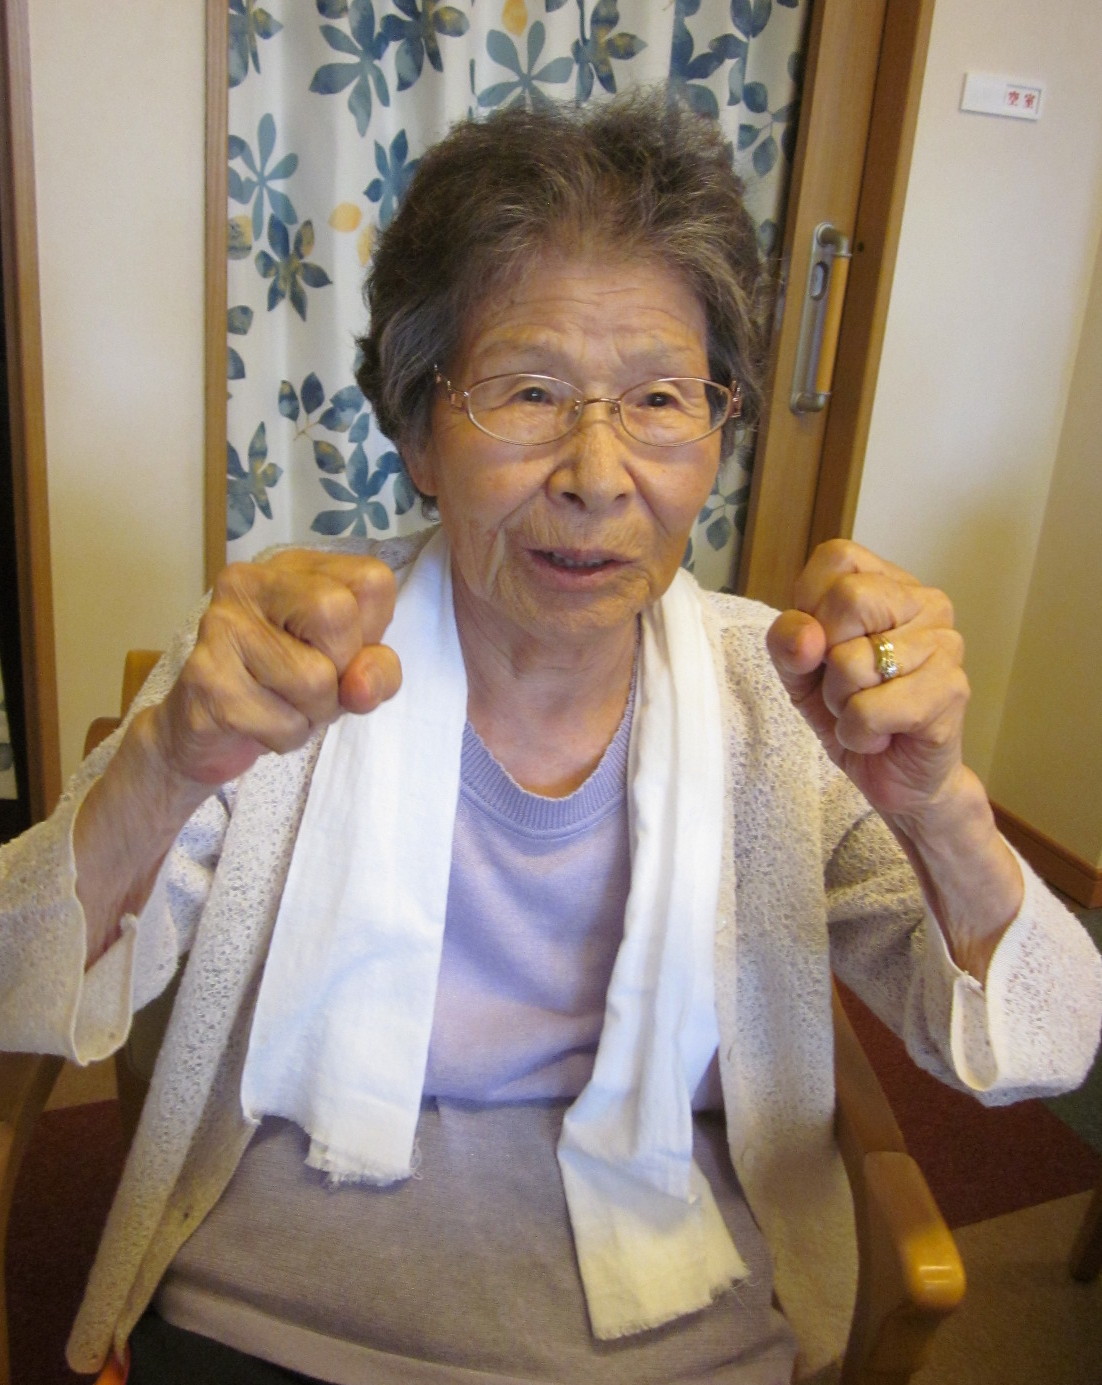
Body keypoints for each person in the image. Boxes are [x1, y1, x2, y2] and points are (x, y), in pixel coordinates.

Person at [1, 92, 1100, 1385]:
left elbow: (1045, 1048)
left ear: (717, 434)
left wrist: (937, 806)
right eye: (529, 392)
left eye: (658, 399)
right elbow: (16, 980)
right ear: (418, 431)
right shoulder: (291, 665)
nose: (595, 473)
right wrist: (163, 765)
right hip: (274, 1313)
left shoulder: (777, 698)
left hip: (676, 1328)